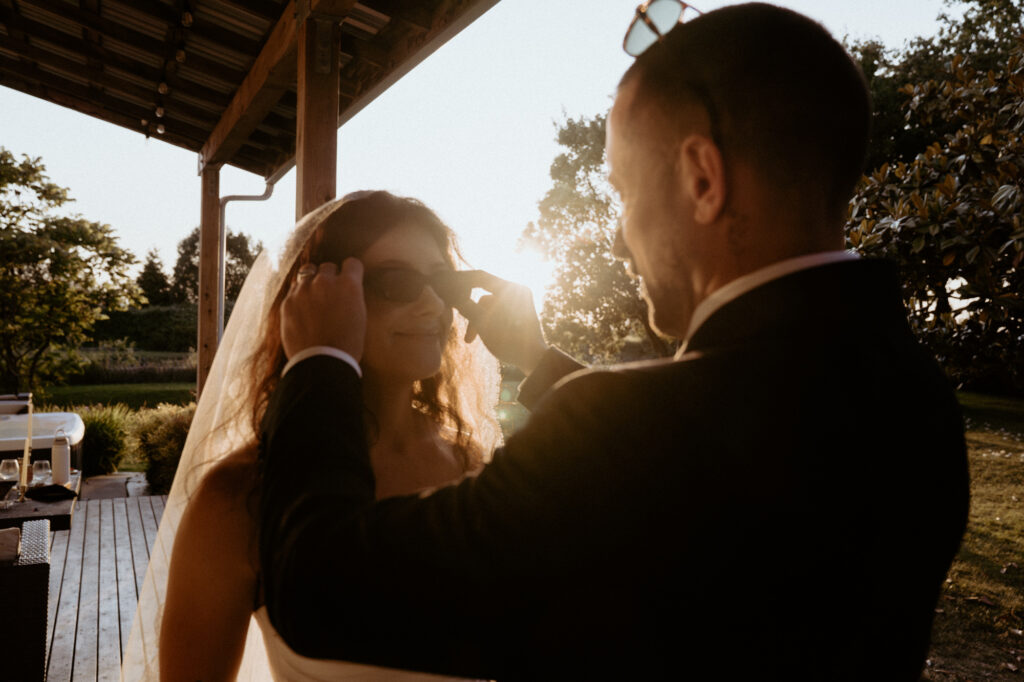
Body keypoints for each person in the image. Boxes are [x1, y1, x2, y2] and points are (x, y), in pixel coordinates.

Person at [260, 4, 970, 680]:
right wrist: (541, 361)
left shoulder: (623, 432)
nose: (620, 239)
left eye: (625, 193)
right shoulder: (917, 399)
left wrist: (323, 360)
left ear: (703, 179)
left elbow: (319, 586)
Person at [122, 191, 501, 681]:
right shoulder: (241, 496)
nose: (433, 304)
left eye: (443, 282)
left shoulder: (469, 461)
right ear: (318, 296)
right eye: (398, 283)